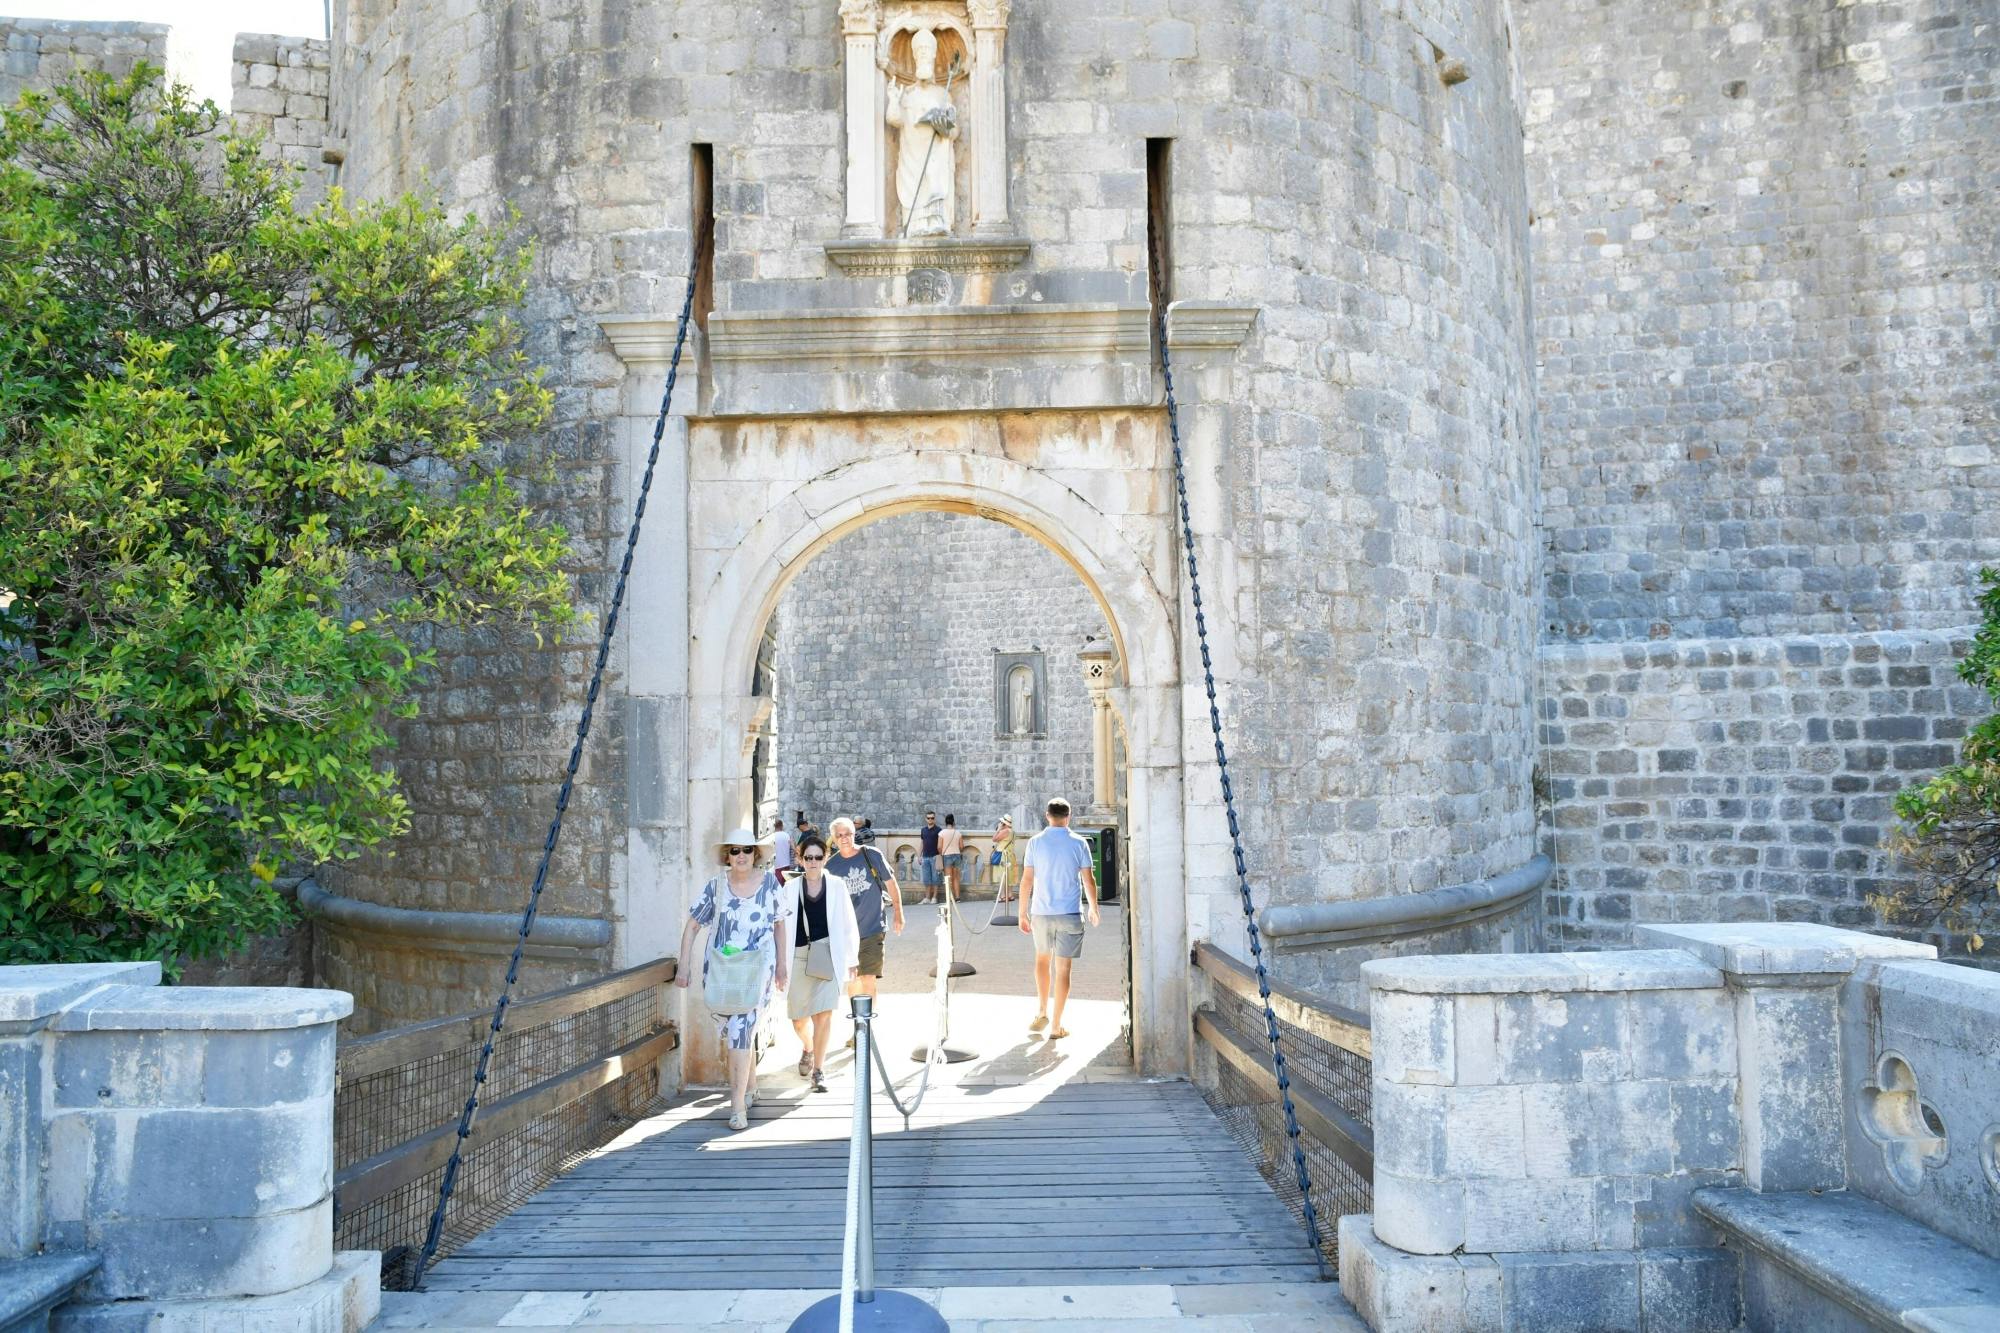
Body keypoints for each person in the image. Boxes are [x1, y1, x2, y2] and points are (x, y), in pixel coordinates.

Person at [676, 827, 790, 1130]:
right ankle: (750, 1087)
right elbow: (692, 926)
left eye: (747, 850)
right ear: (728, 855)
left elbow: (779, 925)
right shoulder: (715, 887)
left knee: (741, 1026)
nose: (741, 855)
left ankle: (737, 1105)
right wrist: (683, 966)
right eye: (735, 850)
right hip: (721, 970)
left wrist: (781, 965)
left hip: (757, 970)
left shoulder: (769, 885)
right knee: (738, 1030)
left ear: (756, 855)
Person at [1018, 797, 1100, 1040]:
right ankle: (1056, 1025)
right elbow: (1089, 879)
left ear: (1047, 815)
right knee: (1063, 970)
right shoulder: (1079, 843)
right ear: (1069, 816)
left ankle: (1042, 1010)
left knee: (1042, 961)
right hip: (1069, 912)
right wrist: (1093, 907)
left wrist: (1022, 912)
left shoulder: (1035, 843)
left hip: (1041, 912)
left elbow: (1027, 880)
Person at [785, 834, 860, 1093]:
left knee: (824, 1015)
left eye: (818, 857)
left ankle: (819, 1069)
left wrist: (852, 958)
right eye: (809, 858)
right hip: (798, 956)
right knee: (798, 1018)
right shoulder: (790, 889)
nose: (814, 862)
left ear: (825, 858)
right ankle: (808, 1047)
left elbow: (849, 924)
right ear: (800, 859)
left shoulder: (837, 886)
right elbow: (780, 928)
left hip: (828, 953)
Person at [827, 815, 903, 1044]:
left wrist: (899, 912)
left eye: (848, 834)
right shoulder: (831, 865)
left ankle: (866, 1027)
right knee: (852, 981)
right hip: (846, 933)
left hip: (872, 926)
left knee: (868, 978)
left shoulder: (872, 855)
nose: (844, 839)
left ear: (854, 834)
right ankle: (857, 1027)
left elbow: (891, 883)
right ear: (833, 839)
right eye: (839, 835)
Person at [991, 813, 1022, 903]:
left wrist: (999, 830)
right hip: (1010, 856)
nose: (1000, 823)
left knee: (1003, 876)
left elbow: (994, 839)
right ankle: (1010, 895)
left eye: (1001, 822)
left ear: (1004, 823)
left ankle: (1003, 896)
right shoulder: (1012, 832)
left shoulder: (1005, 831)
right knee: (1009, 876)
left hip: (1003, 856)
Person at [918, 809, 943, 905]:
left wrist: (940, 856)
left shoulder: (939, 830)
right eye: (928, 818)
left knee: (936, 878)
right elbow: (922, 843)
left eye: (932, 818)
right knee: (926, 879)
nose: (930, 820)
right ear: (926, 819)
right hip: (925, 857)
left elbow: (941, 844)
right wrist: (919, 855)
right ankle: (927, 898)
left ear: (934, 819)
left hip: (935, 857)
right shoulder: (923, 830)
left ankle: (934, 898)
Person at [938, 812, 964, 905]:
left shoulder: (941, 833)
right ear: (953, 822)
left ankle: (949, 898)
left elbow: (939, 847)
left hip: (947, 856)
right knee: (956, 878)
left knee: (948, 878)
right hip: (957, 855)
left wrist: (942, 853)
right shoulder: (958, 833)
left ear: (946, 822)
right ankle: (958, 898)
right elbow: (961, 846)